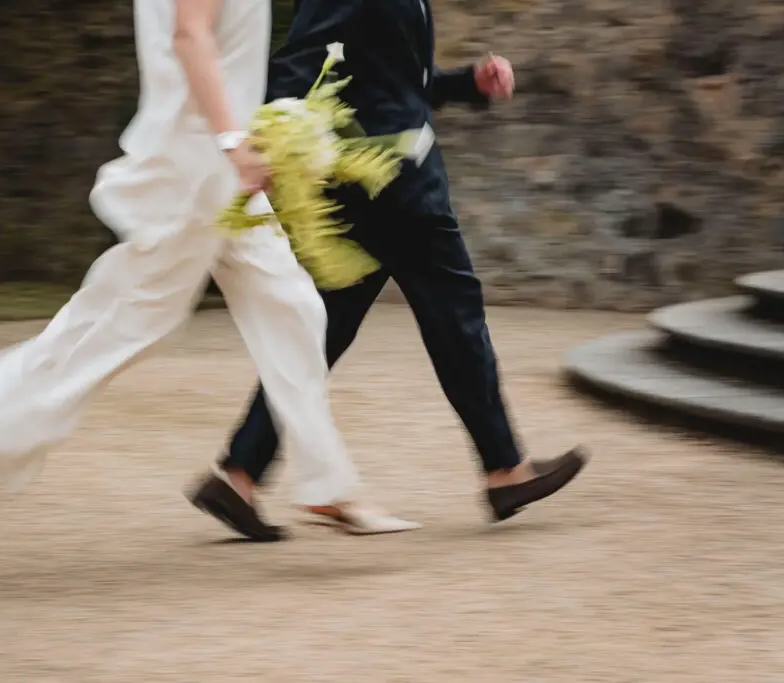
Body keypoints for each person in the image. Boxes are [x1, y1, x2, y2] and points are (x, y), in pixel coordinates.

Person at [0, 0, 418, 541]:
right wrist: (233, 143)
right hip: (195, 171)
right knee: (132, 320)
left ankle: (329, 488)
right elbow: (189, 37)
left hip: (217, 170)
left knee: (292, 309)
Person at [193, 0, 588, 536]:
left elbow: (400, 81)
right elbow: (298, 64)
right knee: (456, 318)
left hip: (379, 183)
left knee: (322, 333)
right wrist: (266, 149)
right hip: (389, 187)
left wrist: (470, 83)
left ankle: (239, 475)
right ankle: (504, 469)